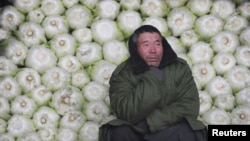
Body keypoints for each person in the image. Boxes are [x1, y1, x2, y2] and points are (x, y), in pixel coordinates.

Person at [99, 25, 207, 141]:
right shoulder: (123, 73)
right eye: (146, 45)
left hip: (169, 130)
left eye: (157, 44)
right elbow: (125, 112)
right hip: (137, 132)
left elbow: (190, 106)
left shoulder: (179, 68)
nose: (153, 50)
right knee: (117, 131)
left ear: (163, 46)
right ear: (135, 48)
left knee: (192, 130)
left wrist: (151, 122)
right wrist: (152, 76)